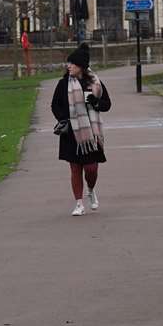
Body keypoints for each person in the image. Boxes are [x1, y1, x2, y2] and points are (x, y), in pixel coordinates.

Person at [51, 43, 112, 217]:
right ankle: (79, 203)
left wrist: (96, 102)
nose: (68, 66)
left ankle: (91, 190)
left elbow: (107, 105)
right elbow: (55, 105)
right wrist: (64, 119)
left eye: (72, 64)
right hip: (71, 133)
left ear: (82, 67)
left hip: (91, 134)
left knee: (91, 169)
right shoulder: (63, 84)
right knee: (75, 168)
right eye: (68, 63)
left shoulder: (95, 83)